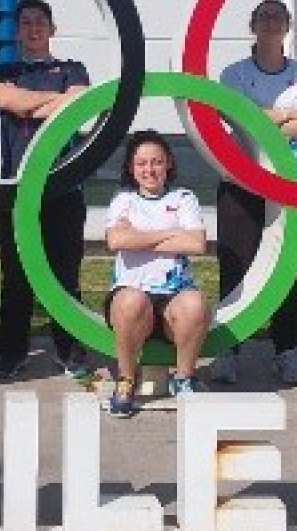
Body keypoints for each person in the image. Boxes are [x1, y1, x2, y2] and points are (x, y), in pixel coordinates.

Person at [211, 0, 297, 387]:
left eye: (278, 17)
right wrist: (289, 115)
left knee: (288, 271)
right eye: (264, 16)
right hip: (242, 182)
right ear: (252, 25)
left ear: (287, 26)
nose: (271, 22)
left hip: (293, 184)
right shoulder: (234, 73)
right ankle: (228, 350)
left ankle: (285, 352)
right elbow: (232, 117)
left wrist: (258, 116)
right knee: (235, 267)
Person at [0, 0, 92, 381]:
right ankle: (11, 352)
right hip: (17, 188)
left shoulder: (73, 68)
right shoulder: (4, 71)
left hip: (64, 184)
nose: (33, 28)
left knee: (65, 275)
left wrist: (33, 105)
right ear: (18, 31)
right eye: (26, 22)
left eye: (40, 22)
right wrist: (57, 102)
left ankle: (70, 350)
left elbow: (80, 106)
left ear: (52, 29)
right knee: (16, 278)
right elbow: (9, 100)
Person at [104, 130, 210, 418]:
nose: (149, 170)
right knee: (131, 302)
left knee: (195, 303)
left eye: (156, 162)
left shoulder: (184, 198)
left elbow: (197, 244)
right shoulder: (123, 200)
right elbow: (116, 241)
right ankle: (126, 381)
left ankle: (184, 378)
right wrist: (171, 233)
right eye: (141, 163)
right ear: (131, 167)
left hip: (173, 296)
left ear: (168, 164)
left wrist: (138, 237)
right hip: (131, 291)